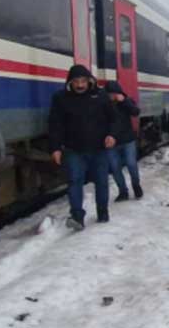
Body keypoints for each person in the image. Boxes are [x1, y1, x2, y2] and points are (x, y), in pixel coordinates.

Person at [48, 65, 118, 230]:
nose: (80, 85)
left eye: (83, 81)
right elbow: (55, 124)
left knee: (101, 182)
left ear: (89, 81)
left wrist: (112, 135)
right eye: (76, 82)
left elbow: (114, 119)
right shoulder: (60, 98)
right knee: (74, 182)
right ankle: (77, 217)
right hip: (73, 149)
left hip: (99, 148)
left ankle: (103, 212)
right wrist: (55, 147)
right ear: (70, 82)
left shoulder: (101, 96)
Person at [105, 81, 143, 201]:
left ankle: (136, 186)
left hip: (127, 141)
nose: (112, 96)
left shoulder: (126, 102)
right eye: (109, 94)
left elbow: (135, 112)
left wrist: (124, 101)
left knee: (131, 164)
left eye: (114, 94)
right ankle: (123, 191)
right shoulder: (104, 105)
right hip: (111, 143)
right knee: (115, 168)